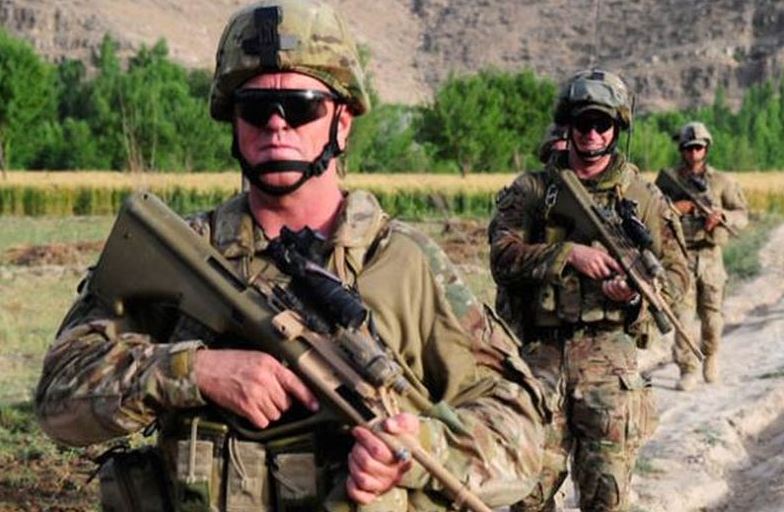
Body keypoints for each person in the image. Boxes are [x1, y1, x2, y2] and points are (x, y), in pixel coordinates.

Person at [34, 1, 547, 511]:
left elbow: (519, 426)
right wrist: (196, 371)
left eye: (301, 106)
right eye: (255, 109)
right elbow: (59, 398)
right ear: (234, 123)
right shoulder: (186, 252)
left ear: (342, 122)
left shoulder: (404, 262)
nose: (277, 125)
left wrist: (420, 448)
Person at [488, 69, 689, 511]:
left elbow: (677, 279)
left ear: (617, 128)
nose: (593, 134)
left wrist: (633, 295)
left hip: (609, 362)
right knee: (526, 496)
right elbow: (502, 257)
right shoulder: (533, 190)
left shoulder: (644, 199)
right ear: (569, 125)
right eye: (583, 123)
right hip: (539, 356)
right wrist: (568, 255)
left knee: (606, 497)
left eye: (603, 124)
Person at [655, 122, 748, 391]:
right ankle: (687, 368)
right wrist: (675, 209)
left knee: (711, 316)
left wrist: (722, 217)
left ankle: (711, 354)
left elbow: (742, 214)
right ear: (682, 150)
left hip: (710, 255)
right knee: (682, 316)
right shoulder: (669, 180)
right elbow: (651, 213)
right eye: (689, 148)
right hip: (679, 255)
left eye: (699, 147)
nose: (694, 153)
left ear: (706, 148)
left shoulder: (722, 181)